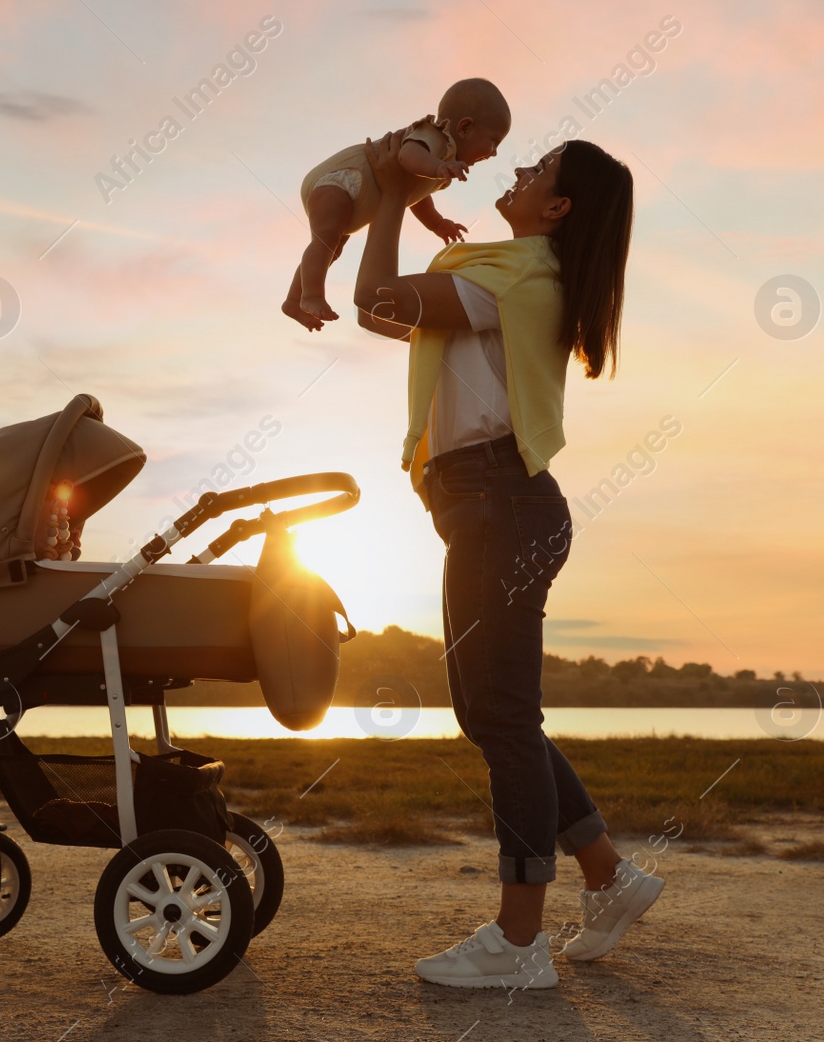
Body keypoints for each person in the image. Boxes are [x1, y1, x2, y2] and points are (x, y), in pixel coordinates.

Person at [353, 130, 662, 990]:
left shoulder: (519, 271)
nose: (518, 171)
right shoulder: (506, 275)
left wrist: (384, 192)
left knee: (500, 718)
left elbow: (376, 289)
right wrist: (403, 204)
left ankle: (519, 938)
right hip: (490, 508)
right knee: (496, 714)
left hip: (499, 507)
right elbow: (382, 310)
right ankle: (606, 872)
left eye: (536, 171)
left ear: (555, 208)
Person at [281, 78, 511, 332]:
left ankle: (293, 302)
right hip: (342, 180)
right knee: (324, 242)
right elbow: (406, 156)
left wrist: (437, 223)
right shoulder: (434, 136)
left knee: (332, 249)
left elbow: (415, 196)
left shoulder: (440, 163)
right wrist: (438, 167)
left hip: (357, 197)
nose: (494, 153)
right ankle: (311, 296)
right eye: (494, 142)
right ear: (465, 128)